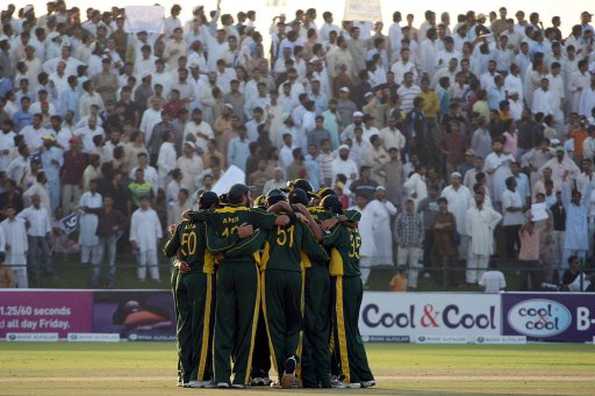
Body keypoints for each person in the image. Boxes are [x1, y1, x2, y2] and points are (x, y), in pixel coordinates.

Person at [260, 188, 327, 388]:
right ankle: (291, 361)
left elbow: (256, 234)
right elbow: (317, 249)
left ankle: (282, 375)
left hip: (271, 274)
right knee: (294, 325)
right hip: (295, 276)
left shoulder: (267, 223)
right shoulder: (299, 224)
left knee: (275, 327)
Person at [163, 191, 220, 388]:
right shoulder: (208, 223)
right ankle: (200, 376)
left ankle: (184, 375)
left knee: (184, 327)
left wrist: (180, 260)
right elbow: (215, 248)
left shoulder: (183, 225)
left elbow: (168, 251)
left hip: (182, 280)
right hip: (201, 277)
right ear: (213, 207)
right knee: (201, 328)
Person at [320, 194, 375, 388]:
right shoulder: (353, 227)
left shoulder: (341, 229)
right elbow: (355, 214)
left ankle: (347, 376)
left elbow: (323, 240)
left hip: (343, 281)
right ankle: (364, 375)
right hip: (356, 281)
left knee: (342, 330)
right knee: (352, 330)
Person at [464, 190, 502, 284]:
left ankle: (481, 280)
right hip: (473, 238)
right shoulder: (469, 212)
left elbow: (499, 217)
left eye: (480, 197)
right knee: (472, 259)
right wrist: (471, 235)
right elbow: (467, 226)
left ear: (483, 199)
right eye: (476, 197)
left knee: (484, 259)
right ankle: (471, 280)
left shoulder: (488, 210)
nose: (478, 198)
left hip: (485, 237)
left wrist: (491, 226)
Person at [17, 194, 52, 286]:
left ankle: (47, 270)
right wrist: (25, 222)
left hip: (43, 235)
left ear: (40, 200)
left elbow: (47, 223)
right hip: (32, 235)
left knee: (47, 252)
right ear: (32, 201)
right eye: (35, 200)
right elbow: (17, 217)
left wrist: (49, 234)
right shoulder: (28, 211)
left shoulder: (44, 210)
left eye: (38, 200)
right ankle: (33, 271)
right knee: (32, 254)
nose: (36, 202)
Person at [129, 196, 163, 282]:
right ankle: (141, 277)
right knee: (141, 260)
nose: (144, 203)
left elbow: (157, 226)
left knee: (153, 259)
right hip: (140, 240)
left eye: (146, 201)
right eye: (142, 201)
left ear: (149, 202)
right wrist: (133, 240)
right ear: (139, 203)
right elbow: (133, 228)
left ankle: (155, 277)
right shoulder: (136, 214)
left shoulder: (153, 213)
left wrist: (159, 236)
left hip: (152, 240)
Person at [96, 196, 126, 288]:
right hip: (101, 236)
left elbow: (125, 221)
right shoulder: (100, 211)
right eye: (105, 200)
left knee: (112, 258)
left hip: (111, 236)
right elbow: (90, 210)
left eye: (108, 200)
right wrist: (83, 208)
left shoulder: (116, 212)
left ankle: (111, 279)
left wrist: (118, 227)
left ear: (112, 202)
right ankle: (96, 278)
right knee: (99, 257)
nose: (106, 202)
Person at [394, 199, 424, 289]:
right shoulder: (400, 216)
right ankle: (400, 285)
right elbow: (396, 230)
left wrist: (419, 242)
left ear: (413, 206)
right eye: (407, 204)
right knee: (401, 266)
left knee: (414, 266)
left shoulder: (418, 216)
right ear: (405, 205)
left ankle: (412, 285)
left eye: (411, 205)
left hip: (415, 246)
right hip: (403, 246)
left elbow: (422, 231)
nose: (409, 206)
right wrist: (399, 241)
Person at [78, 179, 103, 286]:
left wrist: (90, 210)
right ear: (89, 186)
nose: (93, 186)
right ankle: (84, 262)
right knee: (85, 242)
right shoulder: (85, 196)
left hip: (95, 221)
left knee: (95, 242)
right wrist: (86, 211)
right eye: (91, 184)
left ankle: (94, 262)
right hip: (85, 221)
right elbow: (80, 208)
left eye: (95, 185)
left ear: (96, 186)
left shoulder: (99, 196)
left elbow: (100, 210)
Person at [366, 186, 397, 267]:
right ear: (376, 193)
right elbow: (368, 216)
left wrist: (385, 203)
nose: (380, 194)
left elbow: (394, 212)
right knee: (376, 247)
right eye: (378, 192)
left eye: (382, 192)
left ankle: (386, 264)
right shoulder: (371, 204)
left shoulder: (387, 203)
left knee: (386, 247)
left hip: (385, 230)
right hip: (375, 231)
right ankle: (375, 264)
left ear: (384, 193)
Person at [0, 207, 29, 288]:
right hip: (9, 252)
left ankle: (24, 291)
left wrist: (26, 248)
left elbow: (24, 236)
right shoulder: (2, 224)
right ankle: (12, 291)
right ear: (6, 213)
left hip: (20, 250)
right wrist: (5, 244)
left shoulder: (21, 222)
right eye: (8, 211)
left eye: (11, 211)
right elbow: (2, 238)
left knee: (22, 271)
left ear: (14, 211)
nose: (10, 213)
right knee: (10, 271)